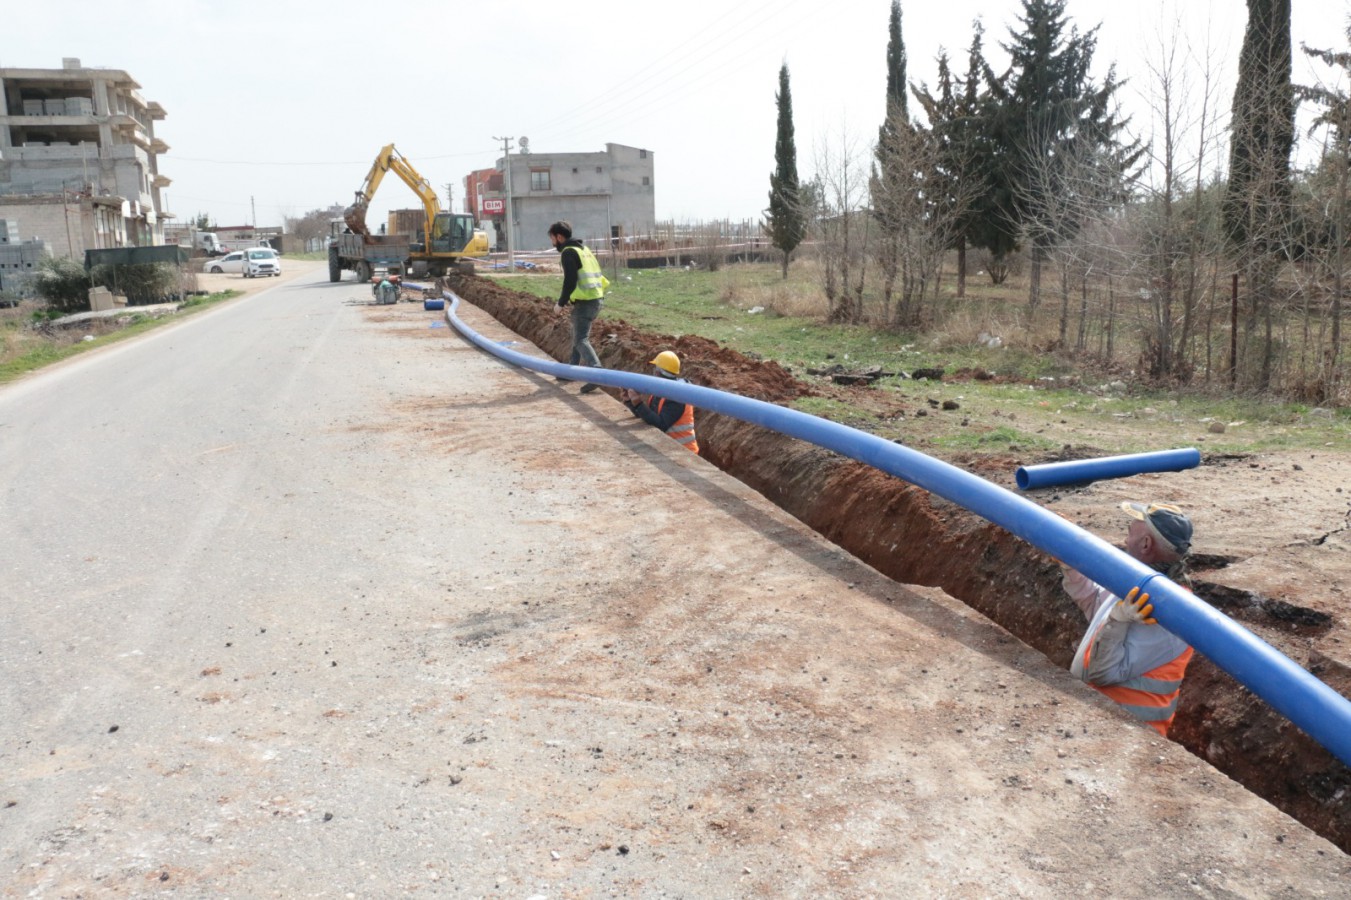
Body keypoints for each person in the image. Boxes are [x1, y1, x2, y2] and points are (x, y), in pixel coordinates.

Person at [1060, 501, 1196, 737]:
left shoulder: (1168, 610)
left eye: (1130, 532)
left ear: (1145, 544)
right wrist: (1069, 564)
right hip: (1095, 722)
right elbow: (1095, 604)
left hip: (1129, 737)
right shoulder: (1138, 584)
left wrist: (1118, 619)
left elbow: (1104, 673)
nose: (1125, 540)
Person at [548, 221, 608, 394]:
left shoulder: (568, 252)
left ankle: (596, 373)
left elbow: (570, 281)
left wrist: (561, 303)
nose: (552, 242)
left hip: (586, 301)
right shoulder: (584, 249)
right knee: (577, 335)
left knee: (581, 339)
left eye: (552, 238)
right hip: (596, 297)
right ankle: (571, 371)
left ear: (559, 237)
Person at [620, 351, 699, 454]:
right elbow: (648, 418)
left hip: (685, 453)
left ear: (657, 372)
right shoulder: (660, 391)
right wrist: (630, 402)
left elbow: (660, 425)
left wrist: (638, 403)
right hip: (671, 449)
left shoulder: (677, 396)